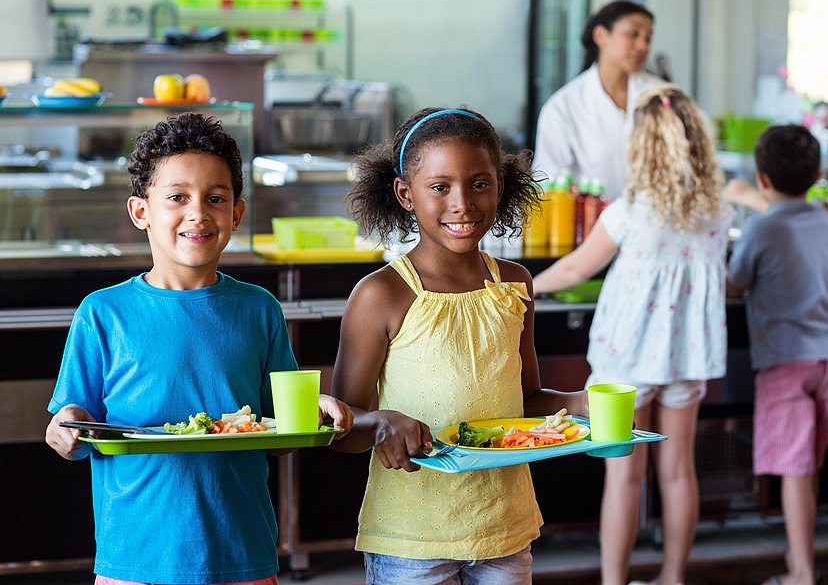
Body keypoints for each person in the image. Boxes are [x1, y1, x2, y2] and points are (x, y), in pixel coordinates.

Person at [44, 112, 353, 585]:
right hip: (136, 557)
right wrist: (64, 430)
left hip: (242, 552)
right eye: (177, 198)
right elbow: (70, 423)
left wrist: (315, 410)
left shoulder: (260, 309)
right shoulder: (103, 313)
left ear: (237, 213)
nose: (198, 213)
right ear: (140, 212)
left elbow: (281, 435)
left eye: (215, 198)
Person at [330, 106, 589, 584]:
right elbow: (343, 429)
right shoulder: (380, 294)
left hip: (503, 532)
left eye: (478, 183)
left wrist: (581, 404)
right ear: (406, 194)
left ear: (501, 187)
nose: (462, 204)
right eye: (440, 186)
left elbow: (528, 401)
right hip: (412, 541)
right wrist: (379, 422)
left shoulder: (514, 284)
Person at [532, 86, 732, 585]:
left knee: (624, 475)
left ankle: (614, 581)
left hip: (626, 362)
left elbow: (578, 266)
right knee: (680, 472)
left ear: (642, 146)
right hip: (687, 359)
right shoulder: (718, 212)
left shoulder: (630, 209)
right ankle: (671, 578)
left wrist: (523, 284)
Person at [725, 125, 828, 585]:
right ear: (818, 173)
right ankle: (802, 563)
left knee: (796, 471)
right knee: (809, 465)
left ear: (761, 179)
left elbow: (733, 284)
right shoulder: (825, 217)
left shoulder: (761, 228)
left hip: (786, 361)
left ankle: (801, 573)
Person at [532, 0, 665, 199]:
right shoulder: (564, 106)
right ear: (601, 35)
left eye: (648, 38)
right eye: (633, 34)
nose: (642, 46)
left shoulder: (661, 95)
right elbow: (546, 181)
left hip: (654, 223)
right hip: (591, 224)